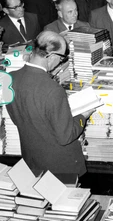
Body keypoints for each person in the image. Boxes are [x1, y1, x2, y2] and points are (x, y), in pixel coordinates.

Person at [6, 31, 94, 177]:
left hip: (31, 159)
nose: (61, 62)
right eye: (61, 58)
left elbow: (18, 118)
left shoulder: (10, 79)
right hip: (60, 166)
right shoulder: (53, 90)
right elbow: (66, 136)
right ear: (51, 56)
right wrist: (83, 115)